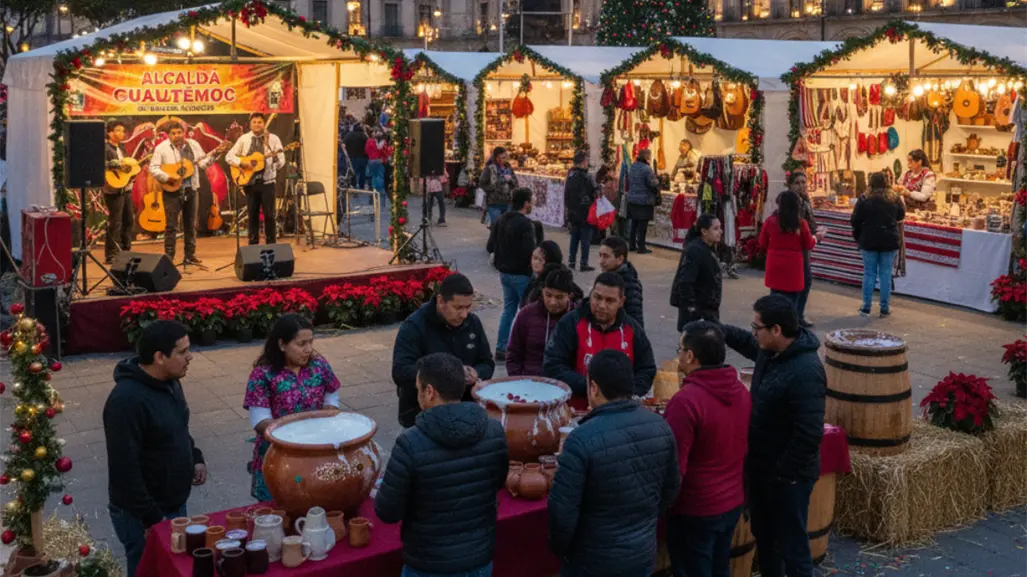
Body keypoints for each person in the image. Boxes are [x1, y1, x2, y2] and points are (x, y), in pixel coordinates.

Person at [548, 349, 680, 577]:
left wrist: (564, 551)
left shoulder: (580, 440)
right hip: (641, 553)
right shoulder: (660, 427)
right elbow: (671, 489)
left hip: (592, 561)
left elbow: (562, 514)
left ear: (593, 388)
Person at [376, 353, 509, 577]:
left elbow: (387, 511)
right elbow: (498, 482)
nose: (417, 395)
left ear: (430, 392)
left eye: (418, 389)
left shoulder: (410, 442)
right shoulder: (494, 431)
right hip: (479, 558)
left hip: (428, 563)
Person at [721, 295, 826, 577]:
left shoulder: (806, 371)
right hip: (764, 470)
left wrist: (782, 474)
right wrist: (719, 330)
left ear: (777, 330)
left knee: (792, 548)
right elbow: (747, 343)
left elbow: (809, 435)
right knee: (766, 541)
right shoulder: (771, 350)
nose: (753, 333)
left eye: (757, 327)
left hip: (788, 479)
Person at [104, 321, 206, 577]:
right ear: (160, 357)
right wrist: (152, 518)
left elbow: (178, 427)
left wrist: (195, 457)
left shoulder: (171, 382)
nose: (190, 357)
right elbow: (124, 468)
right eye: (182, 352)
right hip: (143, 515)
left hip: (173, 504)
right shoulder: (126, 401)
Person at [664, 321, 751, 577]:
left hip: (696, 508)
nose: (679, 355)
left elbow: (674, 467)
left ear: (690, 356)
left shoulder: (686, 401)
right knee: (719, 567)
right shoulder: (740, 390)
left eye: (680, 349)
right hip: (731, 502)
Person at [243, 314, 341, 501]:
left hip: (317, 449)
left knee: (316, 504)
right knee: (279, 508)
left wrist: (330, 409)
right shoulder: (263, 374)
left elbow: (332, 390)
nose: (308, 349)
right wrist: (292, 434)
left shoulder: (318, 365)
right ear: (282, 345)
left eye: (310, 342)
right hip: (279, 455)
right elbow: (260, 420)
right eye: (301, 344)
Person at [392, 273, 495, 427]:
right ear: (441, 301)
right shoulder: (414, 326)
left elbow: (487, 362)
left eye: (468, 307)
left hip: (466, 411)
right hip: (421, 415)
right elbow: (400, 372)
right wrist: (446, 375)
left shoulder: (472, 322)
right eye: (458, 308)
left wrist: (477, 373)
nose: (464, 314)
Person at [543, 272, 656, 410]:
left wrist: (623, 393)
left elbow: (647, 369)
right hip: (575, 411)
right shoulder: (570, 323)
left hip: (620, 411)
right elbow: (552, 365)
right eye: (597, 297)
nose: (602, 305)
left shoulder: (633, 330)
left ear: (621, 302)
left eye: (610, 301)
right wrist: (590, 387)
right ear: (591, 295)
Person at [148, 122, 223, 264]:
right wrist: (167, 177)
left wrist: (215, 154)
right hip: (172, 191)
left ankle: (190, 255)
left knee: (191, 224)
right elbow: (154, 168)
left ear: (184, 133)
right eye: (173, 133)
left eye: (179, 133)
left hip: (191, 189)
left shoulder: (193, 145)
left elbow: (203, 163)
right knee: (171, 226)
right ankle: (169, 258)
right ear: (168, 135)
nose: (177, 136)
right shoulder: (161, 148)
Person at [486, 188, 538, 360]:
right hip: (522, 274)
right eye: (531, 201)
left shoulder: (501, 220)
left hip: (504, 273)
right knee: (527, 312)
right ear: (525, 203)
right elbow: (529, 251)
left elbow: (490, 246)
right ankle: (523, 348)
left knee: (508, 310)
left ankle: (501, 347)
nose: (532, 204)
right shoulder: (526, 224)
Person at [226, 112, 286, 246]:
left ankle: (271, 246)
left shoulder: (273, 139)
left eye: (259, 122)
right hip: (250, 183)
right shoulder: (244, 139)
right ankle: (252, 246)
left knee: (269, 216)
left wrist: (275, 157)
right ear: (250, 124)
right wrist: (242, 163)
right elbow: (229, 157)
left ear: (264, 124)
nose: (257, 125)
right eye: (254, 122)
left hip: (268, 183)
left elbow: (281, 162)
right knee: (252, 215)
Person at [851, 172, 906, 318]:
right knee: (885, 274)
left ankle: (866, 307)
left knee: (869, 273)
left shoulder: (864, 198)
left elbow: (854, 220)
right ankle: (884, 307)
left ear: (870, 183)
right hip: (889, 239)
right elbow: (901, 216)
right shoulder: (895, 197)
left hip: (868, 239)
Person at [507, 265, 577, 377]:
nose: (552, 302)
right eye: (548, 295)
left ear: (570, 295)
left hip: (566, 383)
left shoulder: (578, 318)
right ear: (542, 291)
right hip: (529, 381)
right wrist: (519, 380)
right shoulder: (526, 314)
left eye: (559, 297)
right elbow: (513, 353)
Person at [760, 190, 816, 309]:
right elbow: (809, 244)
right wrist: (816, 238)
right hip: (793, 269)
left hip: (774, 266)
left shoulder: (770, 221)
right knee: (791, 303)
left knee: (774, 300)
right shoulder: (801, 224)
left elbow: (762, 243)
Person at [671, 213, 723, 329]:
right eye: (716, 228)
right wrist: (692, 309)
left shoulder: (708, 247)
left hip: (707, 310)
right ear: (704, 231)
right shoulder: (694, 251)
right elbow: (685, 283)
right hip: (698, 314)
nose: (720, 231)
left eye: (720, 228)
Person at [786, 172, 825, 328]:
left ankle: (797, 314)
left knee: (805, 281)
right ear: (790, 185)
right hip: (795, 248)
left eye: (803, 182)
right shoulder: (789, 202)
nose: (801, 185)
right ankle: (794, 316)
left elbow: (810, 222)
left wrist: (816, 232)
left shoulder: (805, 201)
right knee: (800, 282)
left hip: (804, 247)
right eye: (797, 182)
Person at [103, 119, 134, 264]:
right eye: (118, 130)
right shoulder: (105, 149)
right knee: (115, 222)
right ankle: (111, 254)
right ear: (109, 133)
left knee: (128, 220)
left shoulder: (122, 149)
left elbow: (125, 171)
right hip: (113, 190)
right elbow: (103, 167)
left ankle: (125, 250)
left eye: (123, 131)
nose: (122, 133)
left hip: (126, 189)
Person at [598, 236, 644, 328]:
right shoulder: (605, 278)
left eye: (606, 256)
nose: (601, 261)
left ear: (620, 259)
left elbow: (636, 323)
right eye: (600, 255)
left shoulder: (630, 285)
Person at [564, 151, 597, 272]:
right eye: (586, 161)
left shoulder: (570, 175)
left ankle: (572, 261)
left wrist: (568, 209)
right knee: (585, 239)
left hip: (573, 211)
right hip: (584, 211)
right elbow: (593, 192)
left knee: (574, 237)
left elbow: (566, 194)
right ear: (583, 162)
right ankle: (584, 263)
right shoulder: (586, 177)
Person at [626, 149, 660, 254]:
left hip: (632, 199)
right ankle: (641, 247)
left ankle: (632, 245)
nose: (650, 158)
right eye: (649, 156)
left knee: (634, 223)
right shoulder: (647, 169)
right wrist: (658, 182)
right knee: (642, 225)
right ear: (646, 157)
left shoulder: (633, 166)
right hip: (644, 200)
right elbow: (653, 184)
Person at [480, 147, 518, 225]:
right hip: (494, 202)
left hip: (507, 202)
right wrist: (493, 188)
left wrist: (511, 181)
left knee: (506, 226)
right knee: (496, 225)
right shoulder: (490, 168)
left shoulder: (508, 168)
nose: (505, 159)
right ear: (497, 158)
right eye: (503, 157)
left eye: (506, 157)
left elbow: (516, 183)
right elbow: (482, 183)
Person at [521, 240, 565, 307]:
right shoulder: (535, 281)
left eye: (541, 259)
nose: (536, 262)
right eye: (534, 258)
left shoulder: (553, 283)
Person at [366, 126, 392, 195]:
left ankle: (372, 189)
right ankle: (378, 190)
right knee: (379, 176)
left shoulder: (369, 141)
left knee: (373, 176)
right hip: (379, 160)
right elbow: (382, 151)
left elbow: (366, 150)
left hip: (372, 160)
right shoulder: (382, 142)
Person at [344, 123, 369, 190]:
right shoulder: (364, 136)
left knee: (353, 172)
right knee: (362, 173)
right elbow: (368, 145)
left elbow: (344, 144)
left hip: (352, 157)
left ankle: (353, 185)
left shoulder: (349, 135)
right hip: (363, 157)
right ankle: (361, 186)